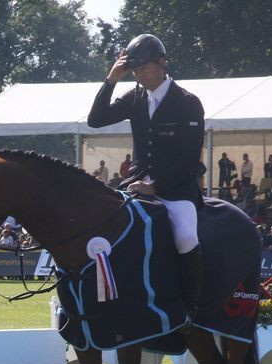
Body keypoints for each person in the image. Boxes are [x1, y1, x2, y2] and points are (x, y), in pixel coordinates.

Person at [87, 33, 205, 321]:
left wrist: (157, 187)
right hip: (136, 184)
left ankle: (190, 308)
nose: (139, 76)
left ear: (162, 63)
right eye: (135, 71)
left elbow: (189, 157)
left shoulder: (188, 102)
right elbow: (96, 119)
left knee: (187, 237)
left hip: (176, 188)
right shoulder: (135, 97)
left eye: (144, 69)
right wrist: (111, 80)